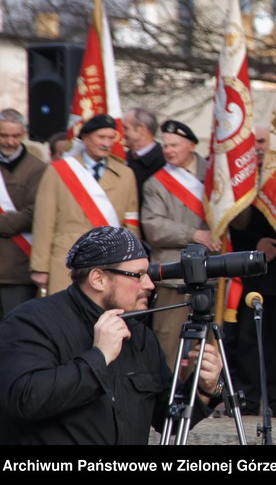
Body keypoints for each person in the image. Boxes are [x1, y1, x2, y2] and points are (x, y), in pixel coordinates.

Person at [0, 226, 223, 445]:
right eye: (138, 275)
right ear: (98, 279)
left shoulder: (140, 334)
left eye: (148, 273)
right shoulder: (32, 321)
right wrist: (99, 356)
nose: (149, 284)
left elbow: (168, 419)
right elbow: (23, 402)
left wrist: (204, 388)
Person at [30, 113, 140, 295]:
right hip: (66, 257)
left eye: (111, 138)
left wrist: (132, 260)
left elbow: (131, 222)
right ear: (86, 138)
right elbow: (44, 221)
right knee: (64, 316)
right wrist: (40, 266)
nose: (107, 143)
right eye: (101, 137)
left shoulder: (126, 174)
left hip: (109, 259)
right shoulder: (58, 171)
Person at [229, 124, 276, 419]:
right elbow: (230, 223)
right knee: (247, 338)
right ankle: (248, 394)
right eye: (253, 142)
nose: (257, 147)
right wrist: (254, 244)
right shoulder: (240, 179)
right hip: (247, 266)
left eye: (263, 142)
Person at [141, 119, 220, 370]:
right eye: (165, 145)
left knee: (209, 348)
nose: (168, 150)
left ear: (191, 145)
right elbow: (153, 226)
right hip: (173, 278)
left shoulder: (216, 175)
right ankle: (167, 402)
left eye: (174, 145)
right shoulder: (156, 183)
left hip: (213, 274)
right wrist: (193, 234)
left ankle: (205, 399)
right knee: (168, 344)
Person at [0, 109, 46, 318]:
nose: (10, 141)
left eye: (15, 136)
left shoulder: (37, 168)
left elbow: (33, 214)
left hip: (17, 270)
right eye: (4, 135)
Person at [122, 107, 166, 214]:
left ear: (142, 129)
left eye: (126, 128)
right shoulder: (121, 159)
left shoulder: (163, 162)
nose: (121, 133)